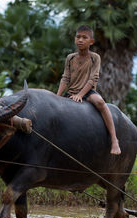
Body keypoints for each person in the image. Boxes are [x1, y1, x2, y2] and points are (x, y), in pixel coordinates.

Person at [56, 25, 121, 155]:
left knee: (101, 102)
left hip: (87, 92)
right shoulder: (70, 58)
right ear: (75, 39)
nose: (80, 40)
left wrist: (80, 95)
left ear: (91, 41)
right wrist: (57, 96)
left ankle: (114, 140)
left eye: (84, 37)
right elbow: (65, 78)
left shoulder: (95, 57)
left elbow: (93, 79)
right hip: (71, 92)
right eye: (78, 37)